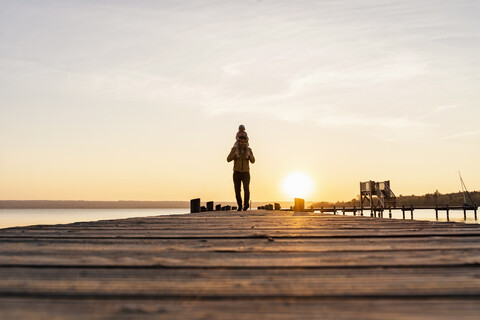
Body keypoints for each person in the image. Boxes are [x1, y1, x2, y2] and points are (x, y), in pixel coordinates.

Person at [227, 136, 255, 211]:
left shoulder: (249, 150)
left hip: (246, 173)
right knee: (237, 190)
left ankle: (246, 205)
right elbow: (228, 159)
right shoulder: (234, 149)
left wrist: (249, 156)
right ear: (238, 142)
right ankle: (239, 205)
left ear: (246, 142)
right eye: (241, 142)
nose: (242, 144)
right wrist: (234, 155)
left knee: (246, 189)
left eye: (244, 142)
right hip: (236, 172)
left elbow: (253, 161)